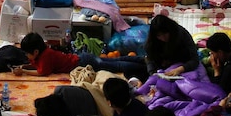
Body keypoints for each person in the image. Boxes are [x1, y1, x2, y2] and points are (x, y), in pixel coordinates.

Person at [17, 32, 145, 78]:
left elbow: (42, 72)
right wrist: (25, 66)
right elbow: (35, 65)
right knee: (114, 61)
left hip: (83, 63)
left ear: (35, 52)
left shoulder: (45, 56)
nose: (27, 56)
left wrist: (24, 72)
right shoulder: (42, 54)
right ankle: (142, 60)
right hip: (83, 58)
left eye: (27, 53)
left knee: (116, 65)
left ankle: (142, 67)